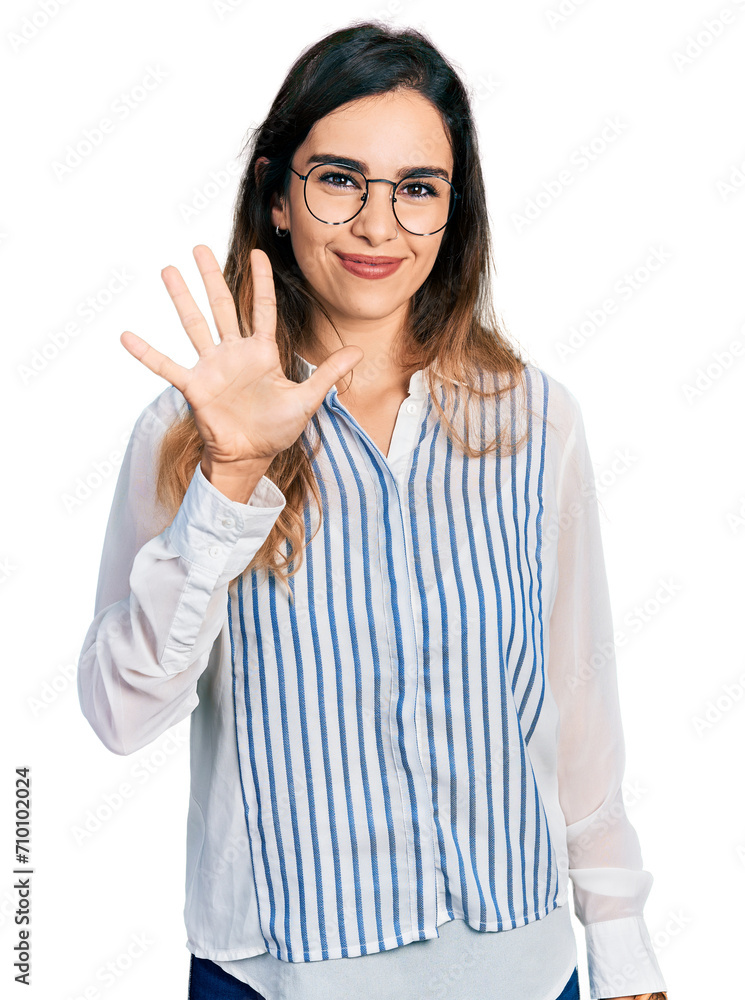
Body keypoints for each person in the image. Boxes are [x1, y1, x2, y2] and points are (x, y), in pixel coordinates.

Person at [76, 20, 670, 1000]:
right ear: (277, 192)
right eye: (339, 178)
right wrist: (231, 474)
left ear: (454, 212)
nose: (377, 226)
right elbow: (119, 713)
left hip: (523, 972)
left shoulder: (536, 420)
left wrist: (626, 955)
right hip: (280, 980)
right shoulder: (188, 430)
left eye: (417, 189)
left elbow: (576, 712)